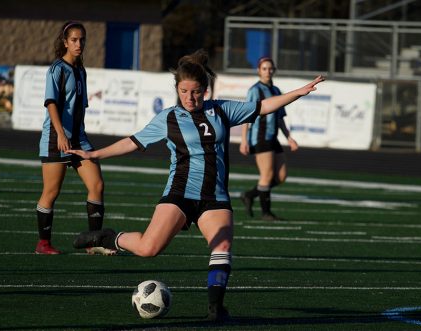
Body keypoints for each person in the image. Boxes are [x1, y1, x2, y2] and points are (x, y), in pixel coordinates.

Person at [67, 49, 324, 322]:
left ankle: (216, 308)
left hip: (215, 196)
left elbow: (263, 107)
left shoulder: (222, 110)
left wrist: (299, 92)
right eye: (184, 91)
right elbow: (132, 141)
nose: (191, 97)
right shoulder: (167, 118)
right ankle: (107, 238)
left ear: (206, 89)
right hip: (179, 194)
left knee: (222, 246)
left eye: (197, 91)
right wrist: (95, 154)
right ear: (177, 89)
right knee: (148, 249)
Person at [35, 21, 115, 256]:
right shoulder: (56, 69)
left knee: (97, 185)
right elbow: (51, 103)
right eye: (74, 40)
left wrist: (75, 135)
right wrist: (60, 133)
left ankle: (94, 242)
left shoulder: (81, 70)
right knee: (51, 192)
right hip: (56, 138)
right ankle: (43, 244)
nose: (79, 44)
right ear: (64, 42)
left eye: (82, 40)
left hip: (79, 139)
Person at [239, 57, 298, 221]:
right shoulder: (254, 90)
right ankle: (266, 213)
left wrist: (289, 138)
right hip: (260, 137)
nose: (268, 71)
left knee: (281, 176)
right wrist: (244, 140)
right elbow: (246, 116)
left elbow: (280, 118)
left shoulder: (277, 90)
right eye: (264, 68)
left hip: (273, 137)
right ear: (259, 70)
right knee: (266, 175)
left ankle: (250, 195)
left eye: (270, 68)